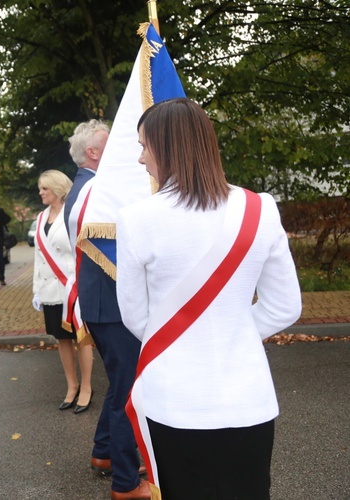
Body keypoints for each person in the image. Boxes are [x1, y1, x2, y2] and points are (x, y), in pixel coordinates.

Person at [116, 98, 302, 499]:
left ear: (166, 148)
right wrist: (234, 332)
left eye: (144, 145)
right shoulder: (261, 208)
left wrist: (188, 338)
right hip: (248, 398)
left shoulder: (136, 219)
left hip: (174, 399)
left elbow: (135, 316)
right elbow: (285, 306)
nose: (140, 158)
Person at [65, 119, 149, 500]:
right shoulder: (94, 189)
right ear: (93, 152)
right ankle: (126, 483)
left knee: (119, 385)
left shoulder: (87, 187)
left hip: (104, 303)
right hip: (112, 305)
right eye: (108, 142)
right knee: (127, 391)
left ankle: (104, 452)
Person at [32, 170, 94, 412]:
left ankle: (87, 387)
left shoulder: (73, 213)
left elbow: (83, 251)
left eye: (44, 188)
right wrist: (37, 291)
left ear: (57, 188)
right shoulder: (40, 218)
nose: (41, 193)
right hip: (49, 290)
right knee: (62, 340)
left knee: (81, 339)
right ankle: (72, 386)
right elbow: (38, 257)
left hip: (71, 288)